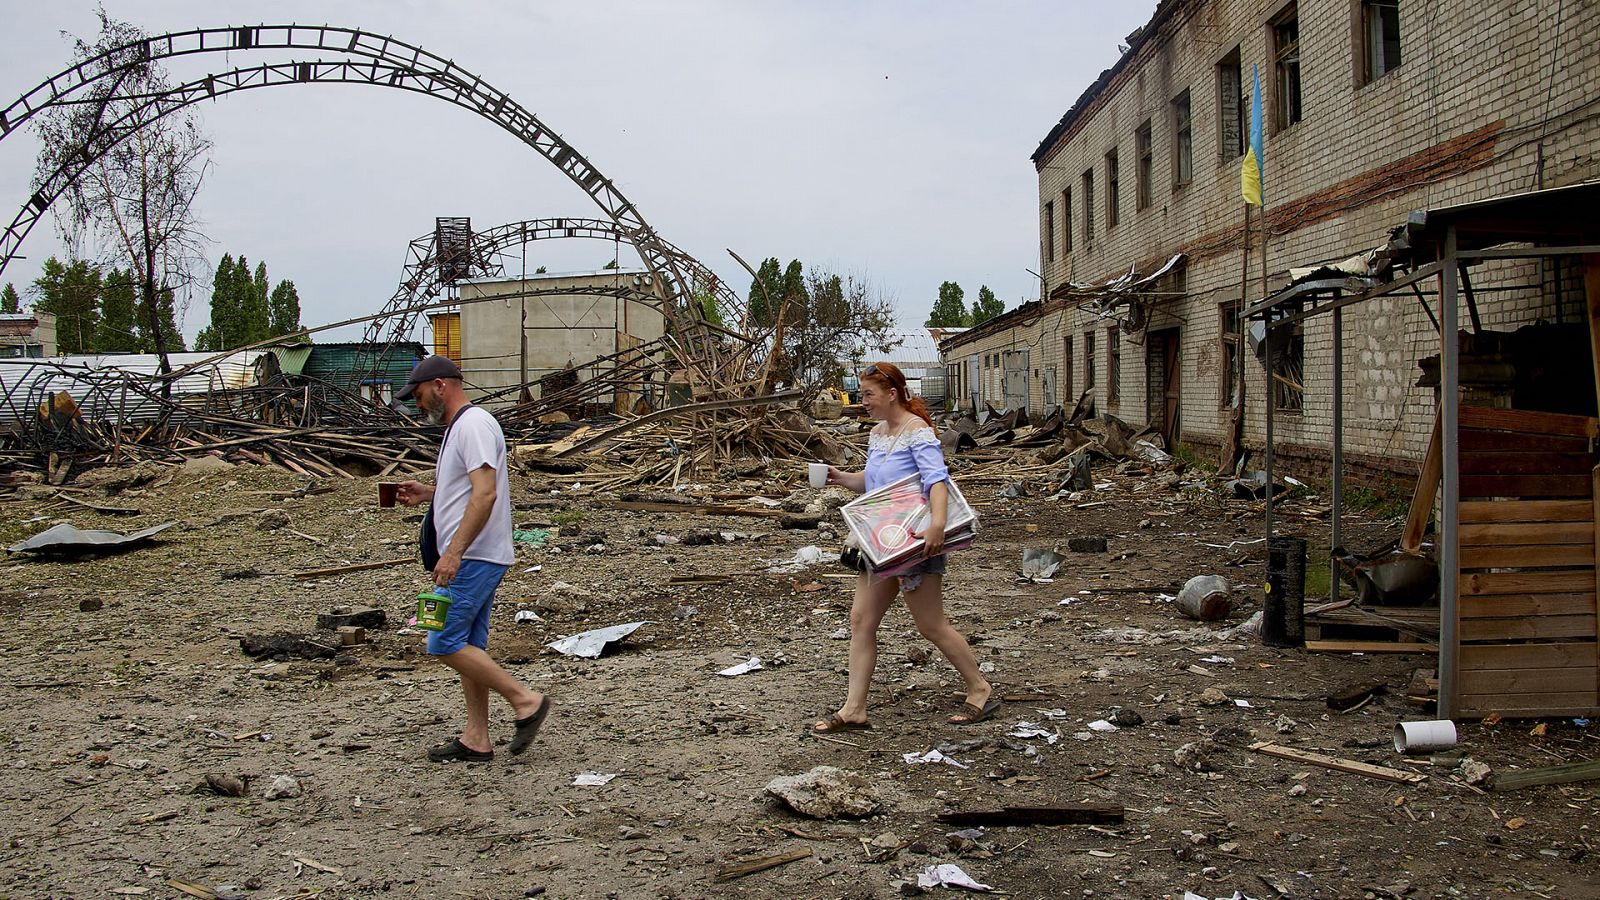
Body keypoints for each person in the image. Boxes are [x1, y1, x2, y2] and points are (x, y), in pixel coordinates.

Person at [812, 362, 997, 733]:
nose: (862, 402)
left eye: (868, 395)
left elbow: (937, 481)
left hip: (915, 543)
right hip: (881, 543)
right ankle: (854, 709)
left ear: (891, 394)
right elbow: (874, 481)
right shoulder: (879, 433)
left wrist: (937, 526)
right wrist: (840, 477)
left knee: (930, 625)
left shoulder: (918, 432)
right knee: (861, 621)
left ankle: (980, 688)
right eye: (862, 394)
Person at [393, 356, 551, 761]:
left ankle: (525, 701)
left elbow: (486, 494)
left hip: (472, 556)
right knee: (468, 644)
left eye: (419, 394)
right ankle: (476, 738)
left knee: (442, 641)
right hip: (471, 555)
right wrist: (429, 493)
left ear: (441, 385)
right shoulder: (458, 430)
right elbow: (468, 487)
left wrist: (453, 553)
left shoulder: (475, 424)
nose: (417, 402)